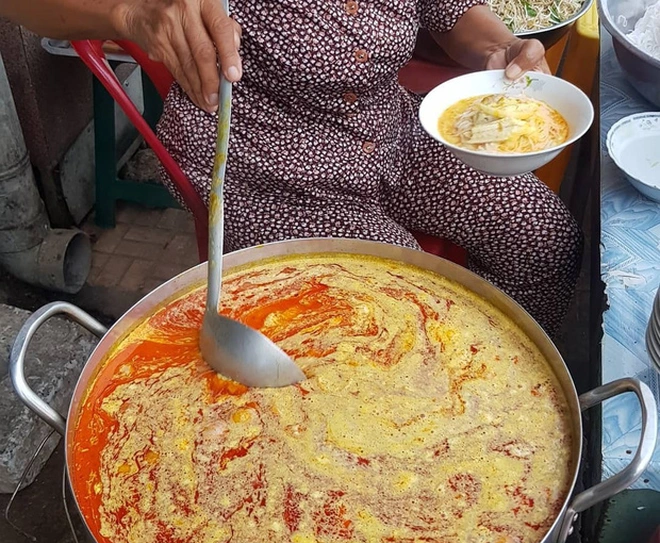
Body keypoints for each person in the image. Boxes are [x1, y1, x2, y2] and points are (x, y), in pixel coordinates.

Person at [1, 0, 582, 335]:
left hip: (390, 130)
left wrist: (497, 51)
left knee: (545, 239)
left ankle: (496, 391)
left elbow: (449, 9)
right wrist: (133, 12)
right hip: (267, 168)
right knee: (400, 307)